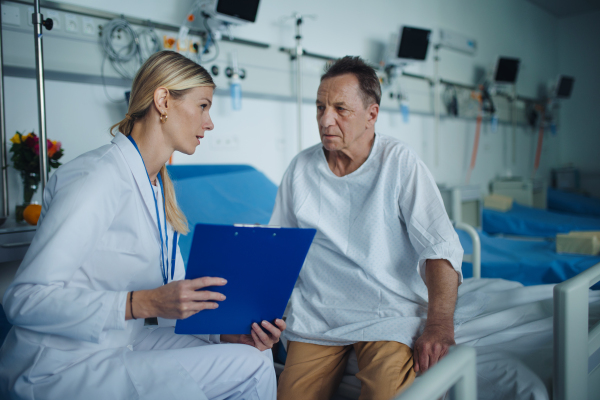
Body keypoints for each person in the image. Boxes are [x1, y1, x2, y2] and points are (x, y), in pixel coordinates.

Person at [0, 50, 285, 400]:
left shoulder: (158, 187)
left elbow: (170, 303)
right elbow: (24, 300)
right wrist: (141, 303)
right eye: (203, 106)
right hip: (63, 364)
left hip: (127, 342)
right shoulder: (97, 178)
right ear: (163, 100)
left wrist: (225, 335)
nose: (209, 123)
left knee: (254, 355)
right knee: (250, 369)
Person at [272, 56, 463, 400]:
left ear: (371, 114)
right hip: (318, 316)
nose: (325, 119)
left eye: (340, 109)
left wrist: (438, 325)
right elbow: (278, 249)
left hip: (387, 313)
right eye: (320, 107)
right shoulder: (301, 169)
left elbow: (440, 246)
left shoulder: (398, 163)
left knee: (387, 393)